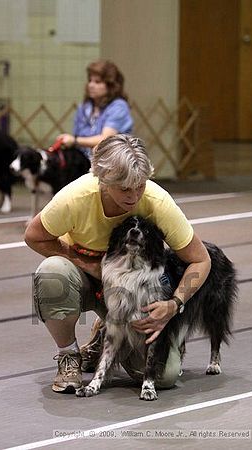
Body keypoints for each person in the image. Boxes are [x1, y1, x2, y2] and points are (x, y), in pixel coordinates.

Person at [25, 134, 211, 393]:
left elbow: (201, 260)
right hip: (86, 279)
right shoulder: (75, 198)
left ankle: (104, 335)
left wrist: (174, 304)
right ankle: (69, 355)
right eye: (125, 188)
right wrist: (86, 264)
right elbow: (34, 236)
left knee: (164, 378)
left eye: (140, 185)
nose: (134, 196)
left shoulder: (158, 202)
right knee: (51, 273)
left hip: (134, 294)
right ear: (103, 180)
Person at [53, 59, 133, 159]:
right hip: (82, 162)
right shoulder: (84, 107)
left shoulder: (118, 107)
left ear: (111, 86)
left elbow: (105, 139)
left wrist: (74, 140)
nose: (91, 85)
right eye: (90, 81)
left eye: (97, 82)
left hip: (111, 165)